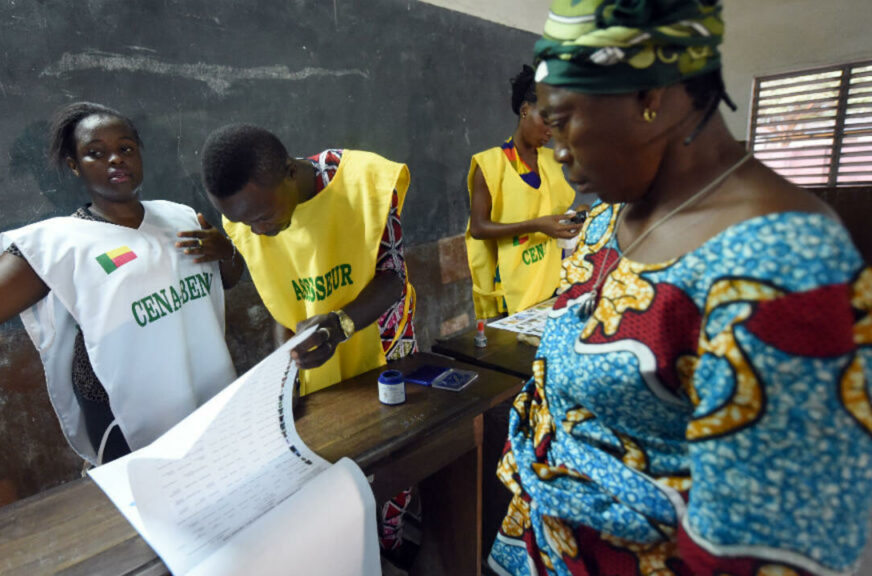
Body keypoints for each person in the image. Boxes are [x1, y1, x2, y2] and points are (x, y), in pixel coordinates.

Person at [488, 2, 872, 576]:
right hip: (539, 535)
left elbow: (753, 548)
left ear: (649, 96)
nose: (558, 150)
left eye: (564, 120)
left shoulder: (785, 267)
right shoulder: (604, 220)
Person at [0, 102, 242, 466]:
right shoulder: (59, 244)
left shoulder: (180, 216)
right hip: (124, 418)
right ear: (74, 165)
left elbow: (225, 280)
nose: (115, 159)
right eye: (96, 153)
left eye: (125, 148)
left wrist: (226, 252)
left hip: (208, 392)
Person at [200, 125, 418, 556]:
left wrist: (339, 326)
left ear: (287, 173)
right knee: (329, 464)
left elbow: (393, 280)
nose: (257, 231)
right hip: (316, 356)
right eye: (243, 223)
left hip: (380, 339)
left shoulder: (363, 183)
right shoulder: (246, 211)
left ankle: (391, 546)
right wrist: (285, 366)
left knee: (394, 457)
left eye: (261, 218)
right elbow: (279, 293)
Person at [466, 65, 582, 320]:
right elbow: (478, 228)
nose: (551, 132)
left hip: (550, 282)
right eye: (547, 121)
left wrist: (576, 216)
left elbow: (554, 211)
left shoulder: (552, 161)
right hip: (512, 289)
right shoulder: (491, 165)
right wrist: (536, 226)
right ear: (525, 109)